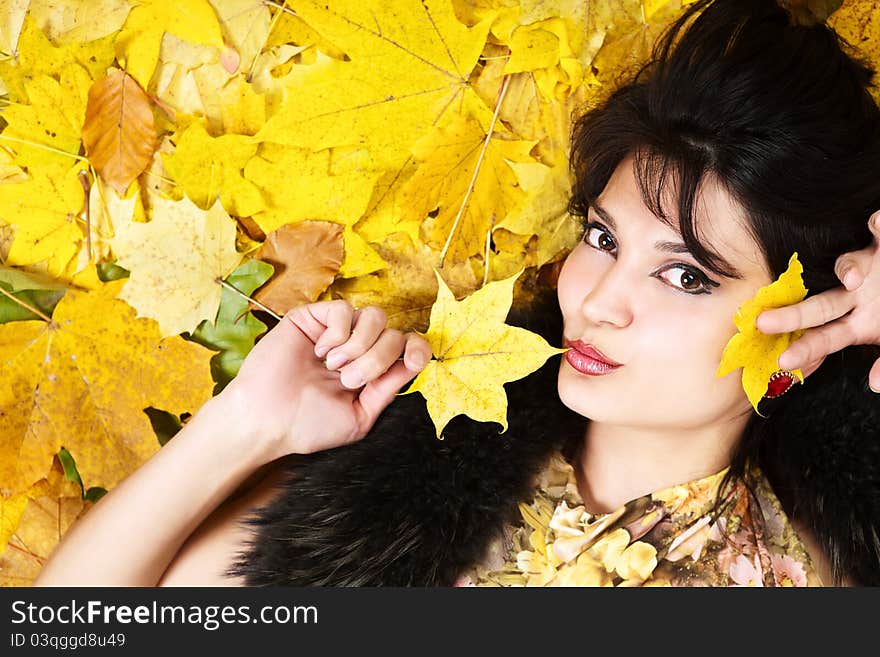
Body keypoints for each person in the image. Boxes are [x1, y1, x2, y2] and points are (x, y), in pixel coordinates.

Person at [34, 0, 880, 587]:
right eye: (603, 237)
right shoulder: (397, 484)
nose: (598, 299)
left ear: (809, 318)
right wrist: (244, 425)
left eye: (685, 273)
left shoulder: (812, 568)